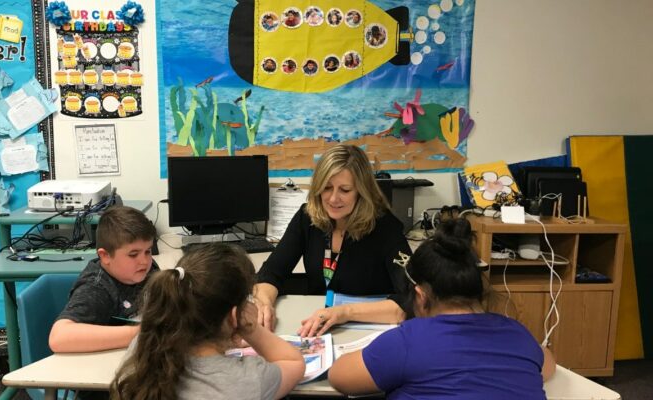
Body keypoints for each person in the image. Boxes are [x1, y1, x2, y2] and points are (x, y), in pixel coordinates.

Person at [328, 219, 556, 398]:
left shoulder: (408, 341)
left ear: (420, 296)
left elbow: (339, 376)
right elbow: (547, 365)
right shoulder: (518, 335)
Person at [110, 243, 305, 400]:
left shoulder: (142, 352)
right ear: (233, 316)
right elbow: (293, 361)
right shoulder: (248, 380)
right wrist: (250, 327)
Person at [254, 144, 413, 337]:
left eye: (345, 190)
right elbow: (271, 273)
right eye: (327, 188)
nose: (333, 198)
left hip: (368, 332)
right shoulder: (307, 218)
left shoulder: (385, 227)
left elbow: (411, 299)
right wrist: (264, 305)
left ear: (362, 191)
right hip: (318, 328)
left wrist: (344, 313)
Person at [49, 206, 159, 353]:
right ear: (105, 256)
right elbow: (59, 338)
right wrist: (143, 333)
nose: (144, 261)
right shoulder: (97, 287)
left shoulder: (146, 270)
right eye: (133, 254)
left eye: (148, 251)